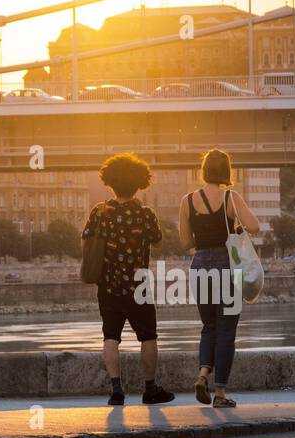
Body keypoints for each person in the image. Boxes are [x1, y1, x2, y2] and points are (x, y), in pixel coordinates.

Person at [82, 153, 175, 406]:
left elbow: (86, 238)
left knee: (110, 335)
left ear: (109, 182)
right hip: (138, 286)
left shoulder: (100, 212)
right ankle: (150, 388)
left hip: (108, 285)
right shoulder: (145, 214)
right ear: (139, 183)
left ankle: (116, 390)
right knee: (148, 336)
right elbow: (157, 239)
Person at [177, 148, 261, 408]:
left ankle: (203, 375)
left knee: (208, 327)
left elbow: (185, 242)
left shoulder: (187, 201)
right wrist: (234, 226)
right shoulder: (230, 198)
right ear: (226, 171)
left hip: (200, 265)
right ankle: (220, 394)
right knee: (226, 330)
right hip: (227, 265)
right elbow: (255, 226)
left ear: (203, 170)